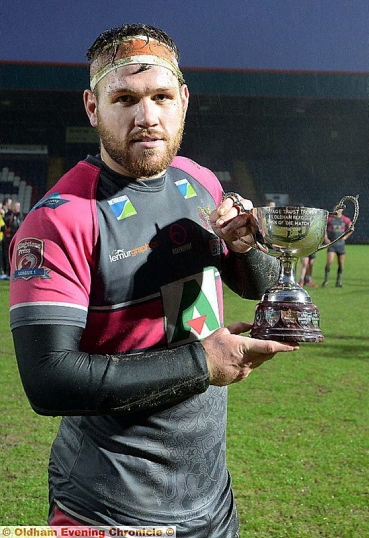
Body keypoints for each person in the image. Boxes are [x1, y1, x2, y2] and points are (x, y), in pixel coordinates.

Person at [9, 24, 298, 538]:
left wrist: (245, 246)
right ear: (93, 107)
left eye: (161, 96)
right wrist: (203, 361)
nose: (147, 117)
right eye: (125, 98)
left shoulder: (200, 181)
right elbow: (48, 381)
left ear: (183, 100)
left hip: (211, 497)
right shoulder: (60, 220)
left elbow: (257, 287)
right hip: (110, 508)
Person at [322, 205, 352, 287]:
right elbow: (323, 228)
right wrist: (326, 238)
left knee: (341, 263)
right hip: (332, 243)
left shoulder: (345, 219)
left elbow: (351, 228)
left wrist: (346, 237)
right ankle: (326, 280)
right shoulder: (330, 219)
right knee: (329, 261)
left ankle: (339, 281)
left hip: (341, 244)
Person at [3, 200, 22, 277]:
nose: (18, 208)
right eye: (17, 206)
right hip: (8, 238)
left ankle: (13, 271)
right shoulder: (9, 215)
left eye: (19, 207)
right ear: (13, 207)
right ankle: (7, 272)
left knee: (15, 255)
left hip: (17, 237)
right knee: (7, 255)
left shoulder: (19, 216)